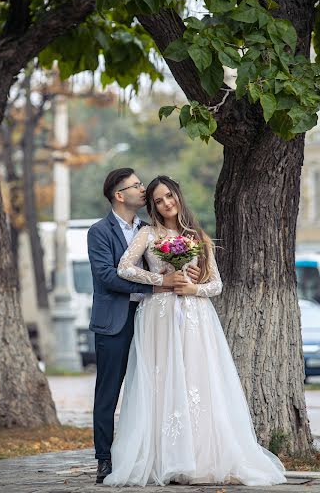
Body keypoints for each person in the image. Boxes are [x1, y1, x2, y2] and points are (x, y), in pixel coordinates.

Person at [103, 175, 286, 487]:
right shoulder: (147, 233)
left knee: (196, 381)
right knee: (163, 381)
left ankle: (200, 458)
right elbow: (124, 268)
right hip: (158, 317)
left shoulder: (198, 236)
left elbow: (216, 285)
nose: (165, 204)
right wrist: (160, 278)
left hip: (194, 317)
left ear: (178, 195)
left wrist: (192, 288)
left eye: (169, 196)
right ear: (153, 206)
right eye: (158, 201)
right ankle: (164, 459)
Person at [87, 168, 201, 484]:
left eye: (141, 185)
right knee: (108, 393)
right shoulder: (99, 231)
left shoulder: (151, 230)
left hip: (154, 320)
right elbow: (107, 277)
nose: (142, 189)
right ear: (119, 195)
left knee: (154, 388)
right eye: (136, 186)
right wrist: (159, 285)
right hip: (115, 322)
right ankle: (105, 459)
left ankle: (154, 454)